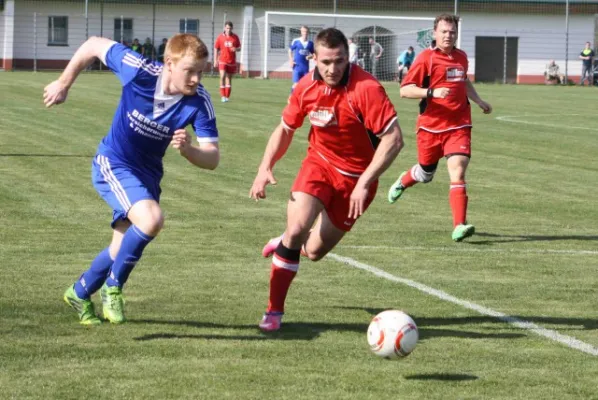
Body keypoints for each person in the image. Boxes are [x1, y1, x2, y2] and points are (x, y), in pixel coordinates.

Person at [44, 34, 220, 325]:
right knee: (151, 219)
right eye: (190, 71)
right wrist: (63, 83)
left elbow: (213, 158)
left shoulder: (199, 102)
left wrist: (189, 151)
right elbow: (92, 45)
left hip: (147, 175)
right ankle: (113, 287)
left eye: (201, 71)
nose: (196, 79)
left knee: (120, 247)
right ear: (169, 63)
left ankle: (79, 292)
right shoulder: (138, 69)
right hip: (113, 163)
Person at [249, 28, 404, 332]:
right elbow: (285, 129)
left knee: (314, 252)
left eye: (340, 61)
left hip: (357, 180)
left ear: (348, 58)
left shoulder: (367, 88)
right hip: (319, 165)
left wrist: (364, 182)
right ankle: (274, 312)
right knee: (296, 230)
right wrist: (264, 166)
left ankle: (282, 244)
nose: (333, 69)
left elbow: (394, 140)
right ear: (314, 58)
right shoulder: (305, 87)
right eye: (326, 62)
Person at [387, 14, 492, 242]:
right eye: (444, 31)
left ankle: (459, 226)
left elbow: (463, 81)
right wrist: (432, 92)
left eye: (452, 32)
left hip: (459, 124)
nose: (448, 35)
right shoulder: (426, 58)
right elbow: (405, 90)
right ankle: (403, 181)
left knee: (458, 170)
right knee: (425, 174)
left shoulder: (462, 57)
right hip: (430, 128)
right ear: (434, 34)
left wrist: (478, 100)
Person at [214, 21, 241, 102]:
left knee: (228, 78)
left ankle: (227, 97)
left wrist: (235, 49)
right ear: (224, 28)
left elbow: (239, 48)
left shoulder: (235, 37)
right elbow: (216, 48)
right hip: (222, 60)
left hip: (231, 61)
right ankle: (222, 96)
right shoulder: (220, 37)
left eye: (229, 28)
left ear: (232, 28)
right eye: (227, 28)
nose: (228, 30)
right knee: (222, 76)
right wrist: (215, 60)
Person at [288, 25, 315, 92]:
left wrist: (309, 57)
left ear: (308, 32)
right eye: (303, 31)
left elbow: (315, 55)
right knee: (296, 84)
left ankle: (302, 100)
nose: (304, 33)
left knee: (305, 85)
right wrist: (291, 60)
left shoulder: (310, 43)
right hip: (297, 67)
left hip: (305, 68)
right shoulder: (296, 41)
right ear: (301, 32)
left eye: (306, 31)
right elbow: (290, 50)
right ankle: (291, 98)